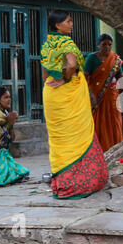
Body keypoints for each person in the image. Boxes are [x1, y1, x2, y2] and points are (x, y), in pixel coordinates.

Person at [41, 10, 108, 199]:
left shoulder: (47, 45)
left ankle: (62, 181)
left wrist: (55, 82)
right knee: (78, 136)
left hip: (51, 95)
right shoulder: (65, 42)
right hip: (68, 92)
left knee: (60, 140)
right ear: (57, 25)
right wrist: (64, 79)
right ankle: (83, 182)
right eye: (68, 21)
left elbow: (45, 74)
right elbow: (71, 64)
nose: (71, 24)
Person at [84, 33, 123, 152]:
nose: (107, 47)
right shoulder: (92, 58)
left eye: (109, 45)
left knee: (114, 123)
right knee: (99, 125)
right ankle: (98, 152)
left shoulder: (115, 59)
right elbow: (85, 77)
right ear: (98, 45)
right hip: (96, 98)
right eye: (104, 44)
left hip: (112, 97)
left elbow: (121, 77)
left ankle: (115, 150)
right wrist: (90, 95)